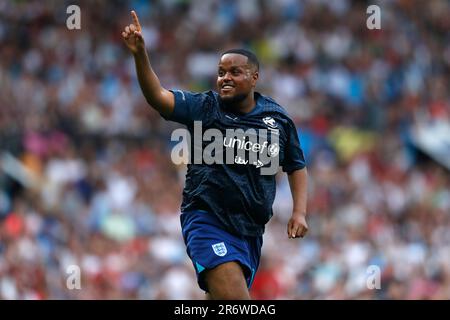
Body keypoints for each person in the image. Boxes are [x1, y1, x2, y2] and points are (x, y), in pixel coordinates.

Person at [122, 10, 308, 300]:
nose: (225, 78)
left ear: (254, 77)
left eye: (235, 72)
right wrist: (140, 55)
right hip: (207, 220)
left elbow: (296, 166)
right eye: (221, 72)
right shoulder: (204, 107)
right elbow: (157, 96)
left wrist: (299, 211)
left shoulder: (277, 119)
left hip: (250, 232)